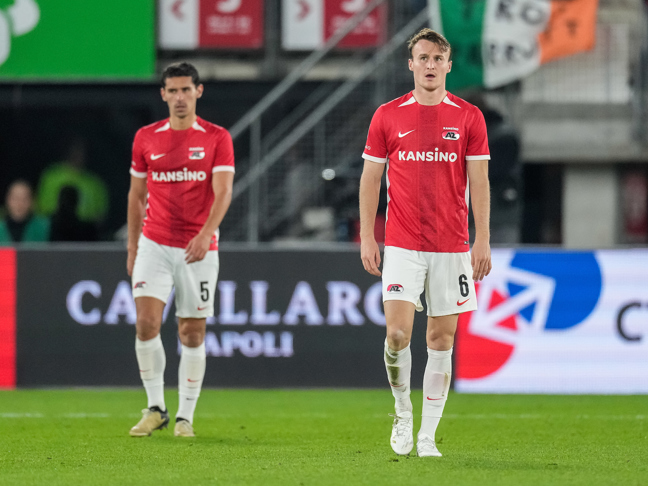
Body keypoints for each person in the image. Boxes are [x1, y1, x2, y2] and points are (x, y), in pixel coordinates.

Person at [359, 28, 491, 457]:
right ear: (410, 64)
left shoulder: (469, 116)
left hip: (452, 246)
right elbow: (371, 178)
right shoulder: (388, 115)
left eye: (437, 58)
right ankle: (402, 413)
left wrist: (483, 238)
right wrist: (368, 235)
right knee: (397, 334)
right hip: (401, 243)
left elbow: (479, 181)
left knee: (441, 340)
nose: (430, 65)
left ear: (448, 65)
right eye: (423, 58)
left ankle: (428, 436)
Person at [127, 62, 235, 438]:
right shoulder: (146, 138)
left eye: (186, 90)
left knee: (191, 333)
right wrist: (133, 245)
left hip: (197, 248)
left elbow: (223, 192)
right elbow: (136, 196)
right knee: (146, 323)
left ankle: (185, 416)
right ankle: (156, 408)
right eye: (172, 91)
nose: (179, 97)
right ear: (163, 95)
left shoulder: (217, 138)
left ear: (198, 92)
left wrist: (206, 234)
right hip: (154, 243)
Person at [37, 137, 109, 225]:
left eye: (80, 150)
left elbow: (100, 216)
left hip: (84, 231)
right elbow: (40, 210)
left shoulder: (95, 184)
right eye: (74, 149)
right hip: (55, 229)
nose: (77, 153)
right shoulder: (51, 176)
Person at [0, 179, 49, 244]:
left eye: (24, 199)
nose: (20, 204)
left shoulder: (44, 226)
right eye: (15, 198)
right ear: (8, 200)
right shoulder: (1, 228)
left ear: (32, 201)